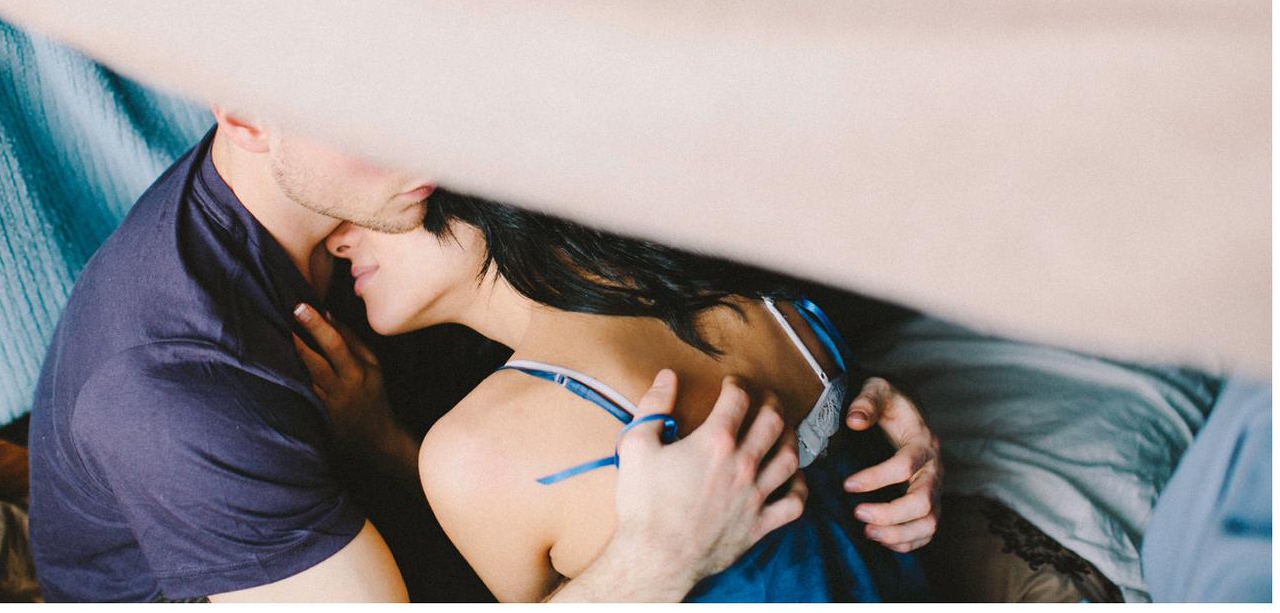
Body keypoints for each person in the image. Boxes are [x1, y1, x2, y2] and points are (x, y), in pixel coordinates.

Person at [26, 111, 921, 601]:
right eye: (369, 103)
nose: (423, 138)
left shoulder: (355, 190)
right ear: (247, 117)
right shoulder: (175, 387)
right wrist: (657, 558)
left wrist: (862, 424)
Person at [300, 188, 941, 602]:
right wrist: (388, 445)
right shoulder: (765, 300)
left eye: (360, 206)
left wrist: (654, 564)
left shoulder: (480, 450)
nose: (336, 238)